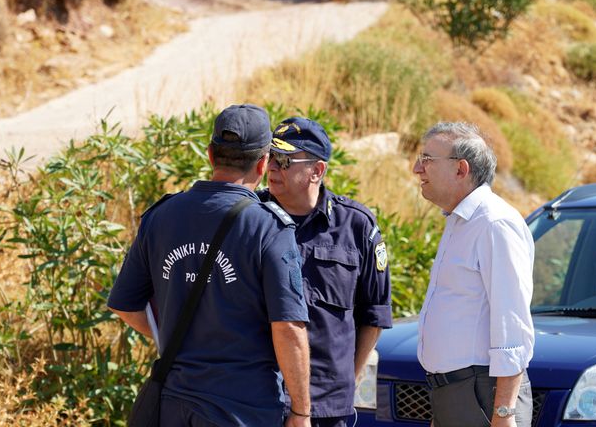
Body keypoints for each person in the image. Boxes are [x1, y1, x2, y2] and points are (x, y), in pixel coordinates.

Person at [107, 104, 312, 427]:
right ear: (262, 163)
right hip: (243, 410)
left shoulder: (161, 216)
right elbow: (287, 327)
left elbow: (125, 306)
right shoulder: (268, 228)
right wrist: (301, 412)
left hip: (173, 404)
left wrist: (177, 337)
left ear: (210, 154)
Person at [257, 117, 392, 427]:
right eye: (271, 158)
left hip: (327, 406)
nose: (273, 167)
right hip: (259, 398)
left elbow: (374, 313)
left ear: (317, 170)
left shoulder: (356, 226)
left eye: (285, 160)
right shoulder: (252, 217)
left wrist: (348, 378)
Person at [413, 122, 534, 427]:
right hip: (457, 393)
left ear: (460, 169)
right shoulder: (460, 220)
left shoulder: (494, 223)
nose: (417, 168)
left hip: (484, 393)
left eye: (427, 159)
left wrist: (504, 413)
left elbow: (513, 324)